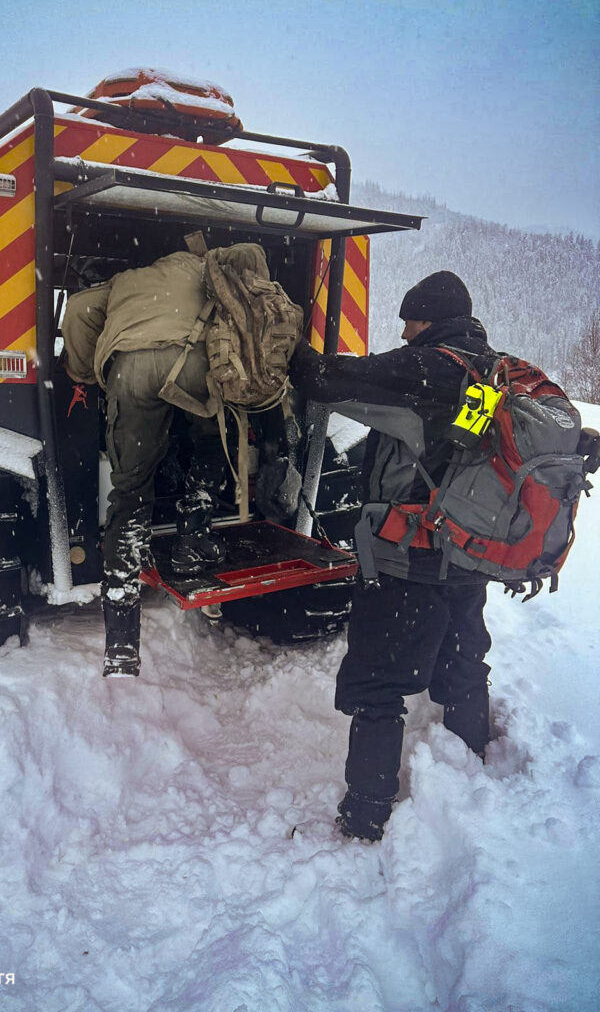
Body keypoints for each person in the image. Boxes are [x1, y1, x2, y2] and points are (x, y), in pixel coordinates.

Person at [290, 270, 497, 841]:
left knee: (378, 683)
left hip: (410, 556)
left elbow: (323, 379)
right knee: (462, 660)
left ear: (428, 319)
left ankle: (366, 812)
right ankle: (471, 769)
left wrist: (286, 333)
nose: (404, 332)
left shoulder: (422, 369)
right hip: (468, 551)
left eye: (410, 320)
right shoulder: (493, 370)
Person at [62, 243, 270, 678]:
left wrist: (82, 372)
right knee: (214, 438)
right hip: (195, 364)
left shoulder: (126, 280)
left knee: (130, 489)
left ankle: (121, 644)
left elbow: (79, 310)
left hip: (131, 368)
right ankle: (191, 540)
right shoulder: (213, 272)